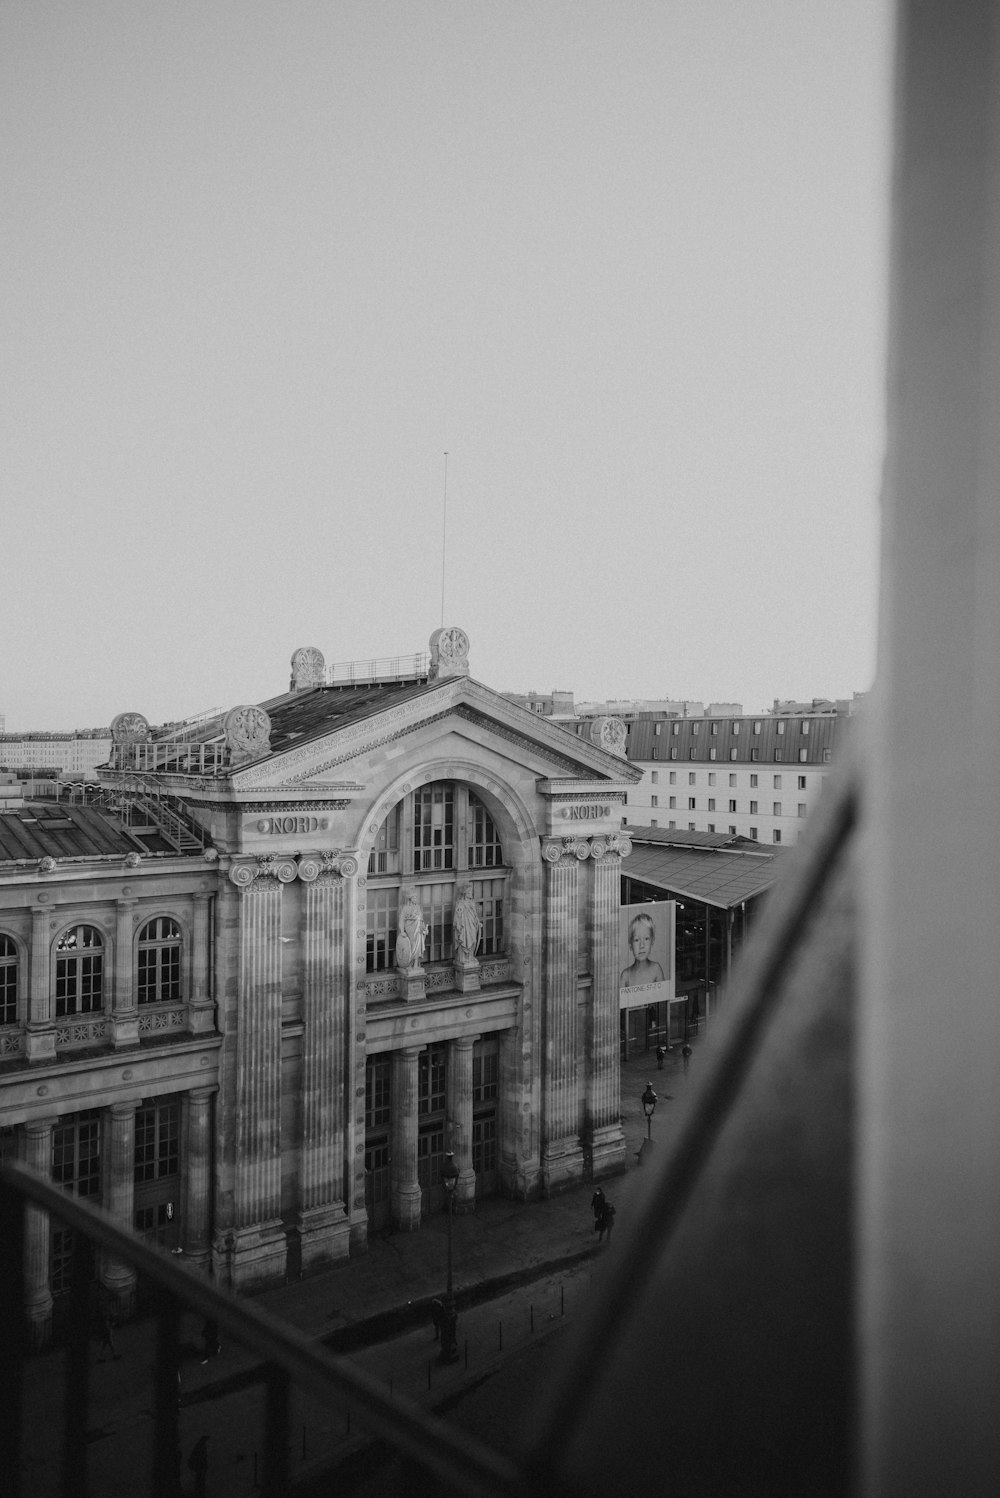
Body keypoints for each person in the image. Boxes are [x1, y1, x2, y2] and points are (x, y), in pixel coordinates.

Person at [619, 912, 666, 990]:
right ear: (630, 945)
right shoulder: (625, 975)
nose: (642, 945)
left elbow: (663, 994)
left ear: (652, 942)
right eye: (636, 940)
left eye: (646, 939)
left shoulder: (656, 969)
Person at [395, 888, 427, 970]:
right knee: (411, 946)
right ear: (410, 899)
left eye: (416, 897)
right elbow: (401, 920)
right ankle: (409, 964)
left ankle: (416, 964)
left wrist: (424, 929)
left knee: (418, 946)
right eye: (414, 898)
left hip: (418, 929)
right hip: (410, 929)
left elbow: (421, 920)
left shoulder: (418, 907)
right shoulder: (405, 908)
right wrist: (402, 931)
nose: (416, 899)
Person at [452, 884, 482, 962]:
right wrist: (459, 915)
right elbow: (458, 914)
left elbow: (475, 914)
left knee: (473, 941)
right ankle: (464, 958)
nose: (470, 894)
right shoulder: (460, 903)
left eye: (471, 893)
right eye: (469, 893)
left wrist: (478, 922)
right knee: (465, 940)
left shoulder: (472, 903)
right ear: (465, 894)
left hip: (472, 924)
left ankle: (471, 957)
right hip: (464, 925)